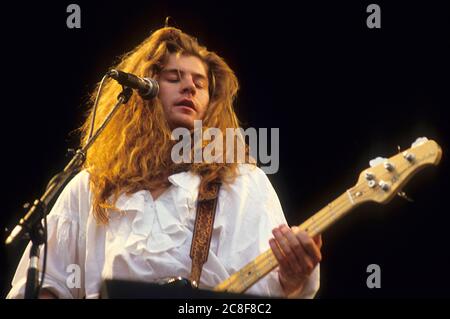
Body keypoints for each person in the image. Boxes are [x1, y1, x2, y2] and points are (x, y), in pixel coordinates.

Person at [7, 26, 322, 299]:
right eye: (174, 77)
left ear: (212, 104)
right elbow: (45, 283)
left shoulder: (243, 184)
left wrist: (293, 278)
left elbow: (268, 293)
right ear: (141, 94)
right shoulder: (91, 188)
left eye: (200, 84)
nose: (189, 87)